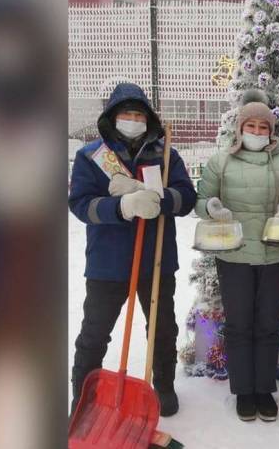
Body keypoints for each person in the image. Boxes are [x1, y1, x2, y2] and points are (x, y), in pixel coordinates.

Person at [68, 82, 196, 417]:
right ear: (112, 117)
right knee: (95, 331)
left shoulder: (166, 154)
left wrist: (161, 199)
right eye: (126, 113)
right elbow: (80, 205)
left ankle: (164, 384)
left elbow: (187, 197)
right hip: (107, 263)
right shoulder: (92, 156)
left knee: (162, 327)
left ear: (149, 119)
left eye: (139, 113)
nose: (133, 119)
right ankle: (83, 395)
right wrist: (122, 206)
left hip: (156, 260)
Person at [195, 90, 279, 422]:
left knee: (267, 324)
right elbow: (202, 200)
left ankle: (264, 390)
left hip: (274, 254)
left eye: (263, 127)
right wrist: (211, 207)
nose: (256, 132)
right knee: (240, 324)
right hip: (234, 255)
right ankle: (244, 390)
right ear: (240, 128)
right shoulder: (221, 161)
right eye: (251, 125)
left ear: (271, 132)